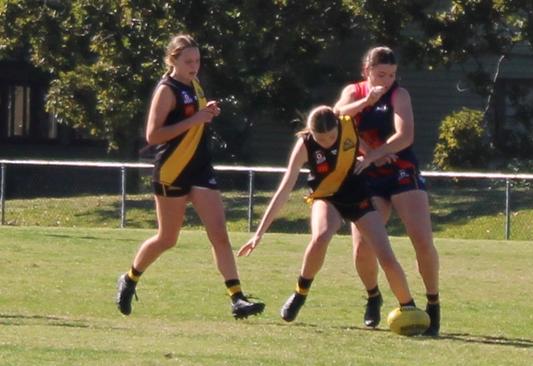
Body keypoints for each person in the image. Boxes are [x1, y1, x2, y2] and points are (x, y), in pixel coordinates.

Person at [115, 34, 265, 319]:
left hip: (199, 168)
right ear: (173, 60)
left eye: (197, 60)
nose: (195, 66)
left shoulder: (195, 84)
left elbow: (193, 121)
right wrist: (196, 119)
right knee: (167, 238)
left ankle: (237, 299)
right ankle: (130, 278)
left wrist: (207, 112)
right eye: (188, 61)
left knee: (219, 233)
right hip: (172, 170)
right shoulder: (167, 89)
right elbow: (153, 135)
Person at [237, 105, 422, 324]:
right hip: (326, 197)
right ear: (311, 132)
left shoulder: (347, 126)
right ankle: (300, 293)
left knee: (385, 255)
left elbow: (361, 145)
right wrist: (259, 233)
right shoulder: (305, 145)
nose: (327, 142)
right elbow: (284, 189)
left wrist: (372, 158)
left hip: (358, 196)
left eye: (331, 137)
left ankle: (405, 306)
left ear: (338, 126)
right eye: (321, 138)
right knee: (321, 236)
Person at [333, 46, 441, 336]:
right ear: (366, 71)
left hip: (400, 169)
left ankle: (433, 304)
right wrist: (368, 149)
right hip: (367, 175)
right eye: (380, 74)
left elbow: (405, 135)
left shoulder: (399, 95)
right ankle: (372, 295)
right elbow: (337, 118)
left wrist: (375, 153)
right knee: (362, 246)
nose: (387, 80)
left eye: (392, 74)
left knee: (421, 238)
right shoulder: (354, 92)